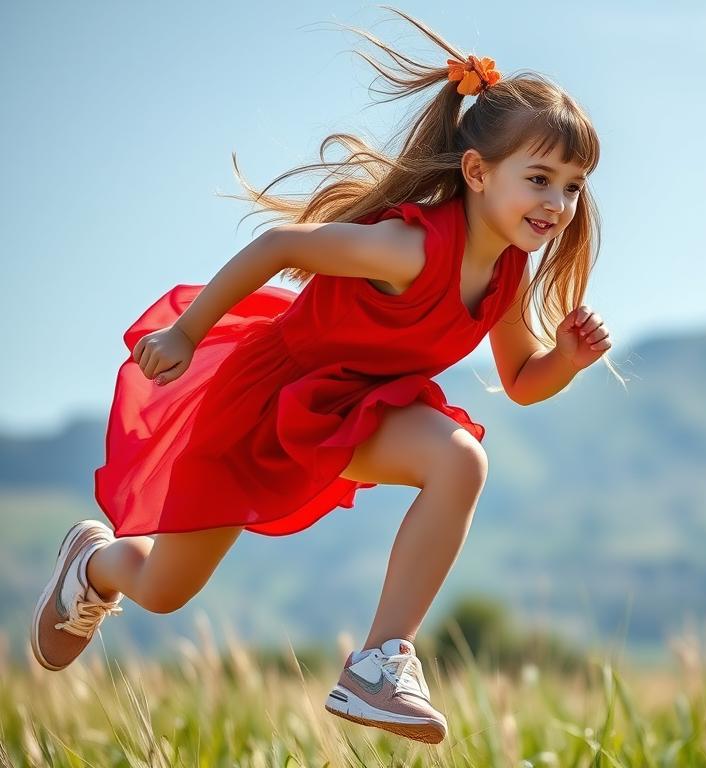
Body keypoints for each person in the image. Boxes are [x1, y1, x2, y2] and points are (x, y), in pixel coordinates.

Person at [30, 6, 622, 744]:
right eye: (540, 178)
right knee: (162, 590)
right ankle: (94, 565)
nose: (558, 204)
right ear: (476, 172)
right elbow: (282, 244)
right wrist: (188, 331)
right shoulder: (408, 250)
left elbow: (524, 380)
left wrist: (564, 360)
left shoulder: (505, 275)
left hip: (352, 409)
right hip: (263, 403)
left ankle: (378, 665)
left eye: (572, 186)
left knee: (460, 458)